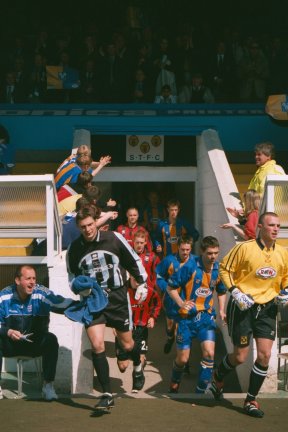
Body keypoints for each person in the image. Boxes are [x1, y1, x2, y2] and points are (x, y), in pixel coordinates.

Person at [66, 205, 148, 410]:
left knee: (128, 345)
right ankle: (107, 393)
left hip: (118, 298)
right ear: (78, 227)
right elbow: (72, 278)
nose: (88, 229)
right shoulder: (75, 249)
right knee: (97, 345)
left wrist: (142, 283)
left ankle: (138, 364)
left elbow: (133, 260)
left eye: (90, 224)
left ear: (96, 222)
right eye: (83, 226)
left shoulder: (113, 238)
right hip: (94, 300)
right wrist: (79, 289)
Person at [211, 212, 288, 418]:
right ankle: (218, 374)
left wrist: (285, 291)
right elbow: (224, 269)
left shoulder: (283, 252)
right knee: (240, 356)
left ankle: (251, 399)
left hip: (268, 308)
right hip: (243, 307)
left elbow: (286, 277)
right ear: (260, 227)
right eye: (271, 225)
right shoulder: (244, 248)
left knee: (264, 355)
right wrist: (235, 292)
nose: (275, 229)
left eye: (278, 225)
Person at [0, 265, 76, 400]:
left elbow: (60, 303)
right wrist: (8, 332)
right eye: (28, 278)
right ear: (17, 281)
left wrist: (83, 304)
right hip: (10, 344)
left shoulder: (41, 293)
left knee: (51, 339)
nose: (32, 282)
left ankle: (48, 386)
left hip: (34, 345)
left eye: (34, 278)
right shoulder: (4, 296)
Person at [166, 236, 226, 394]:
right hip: (186, 320)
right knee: (183, 359)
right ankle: (175, 380)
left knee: (209, 353)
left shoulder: (218, 269)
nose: (213, 256)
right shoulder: (189, 267)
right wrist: (181, 303)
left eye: (216, 253)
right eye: (210, 253)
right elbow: (170, 288)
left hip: (206, 318)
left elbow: (221, 291)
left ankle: (201, 391)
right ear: (202, 252)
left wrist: (221, 310)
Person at [115, 229, 161, 378]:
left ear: (146, 243)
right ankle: (128, 353)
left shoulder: (152, 258)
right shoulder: (126, 257)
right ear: (133, 243)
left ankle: (139, 370)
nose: (139, 245)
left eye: (142, 243)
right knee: (122, 365)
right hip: (129, 297)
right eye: (137, 242)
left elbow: (157, 276)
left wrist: (153, 315)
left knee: (140, 352)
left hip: (145, 299)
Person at [156, 235, 195, 355]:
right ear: (178, 247)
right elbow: (158, 276)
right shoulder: (169, 260)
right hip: (170, 300)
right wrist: (166, 288)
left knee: (182, 329)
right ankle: (169, 338)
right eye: (182, 249)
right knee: (170, 326)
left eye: (187, 250)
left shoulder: (195, 261)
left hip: (187, 300)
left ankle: (184, 360)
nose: (185, 252)